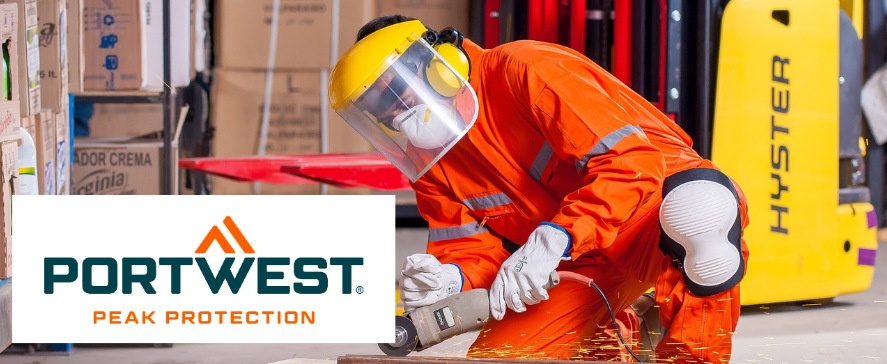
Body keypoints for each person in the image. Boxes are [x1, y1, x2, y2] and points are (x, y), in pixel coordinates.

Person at [329, 15, 750, 363]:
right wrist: (449, 277)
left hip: (651, 214)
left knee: (701, 212)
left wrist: (561, 234)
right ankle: (622, 335)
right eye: (382, 110)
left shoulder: (524, 69)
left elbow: (631, 165)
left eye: (398, 93)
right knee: (505, 357)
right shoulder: (430, 160)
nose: (399, 114)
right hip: (573, 262)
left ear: (440, 64)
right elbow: (470, 248)